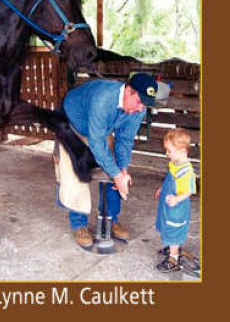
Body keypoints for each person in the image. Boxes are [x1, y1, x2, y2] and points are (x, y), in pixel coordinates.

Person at [57, 72, 167, 251]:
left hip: (98, 128)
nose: (141, 109)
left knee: (115, 171)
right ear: (129, 91)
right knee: (76, 172)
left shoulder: (138, 108)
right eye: (139, 102)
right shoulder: (104, 99)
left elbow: (125, 140)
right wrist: (116, 173)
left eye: (145, 104)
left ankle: (110, 220)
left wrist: (122, 170)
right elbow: (96, 142)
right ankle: (79, 225)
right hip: (71, 124)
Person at [155, 129, 197, 272]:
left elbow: (189, 190)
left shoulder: (186, 171)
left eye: (169, 151)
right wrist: (163, 188)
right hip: (168, 205)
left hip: (177, 207)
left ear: (182, 151)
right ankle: (173, 247)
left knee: (174, 230)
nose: (167, 154)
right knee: (167, 226)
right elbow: (170, 180)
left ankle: (173, 259)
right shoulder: (175, 163)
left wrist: (177, 199)